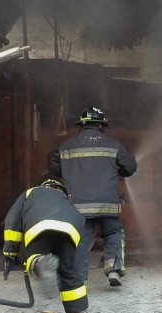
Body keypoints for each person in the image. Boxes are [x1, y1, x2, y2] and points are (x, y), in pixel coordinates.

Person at [49, 106, 137, 287]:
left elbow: (55, 168)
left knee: (80, 240)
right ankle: (113, 269)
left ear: (81, 125)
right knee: (113, 233)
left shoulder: (66, 146)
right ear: (101, 126)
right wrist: (116, 168)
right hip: (108, 204)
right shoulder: (113, 144)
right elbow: (130, 167)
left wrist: (71, 172)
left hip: (78, 205)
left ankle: (79, 279)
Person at [3, 179, 88, 313]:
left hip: (40, 223)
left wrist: (10, 254)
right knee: (67, 270)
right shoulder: (65, 200)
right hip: (70, 227)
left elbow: (13, 221)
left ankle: (40, 263)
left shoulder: (31, 193)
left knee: (34, 257)